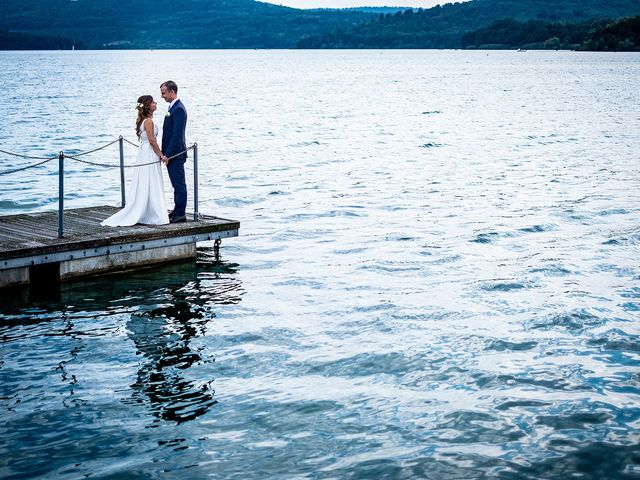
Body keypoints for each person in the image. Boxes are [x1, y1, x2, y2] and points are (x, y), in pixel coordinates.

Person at [101, 95, 169, 226]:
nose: (156, 103)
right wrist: (161, 155)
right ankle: (152, 212)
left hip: (144, 152)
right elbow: (152, 141)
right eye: (153, 102)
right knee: (151, 179)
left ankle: (148, 209)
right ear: (148, 106)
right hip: (149, 152)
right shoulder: (148, 121)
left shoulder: (144, 120)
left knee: (147, 180)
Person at [160, 80, 188, 223]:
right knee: (175, 184)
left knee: (179, 184)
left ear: (172, 92)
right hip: (172, 154)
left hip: (176, 154)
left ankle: (180, 214)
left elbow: (176, 136)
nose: (162, 96)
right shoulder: (173, 108)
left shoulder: (178, 109)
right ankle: (177, 210)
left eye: (164, 93)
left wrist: (167, 155)